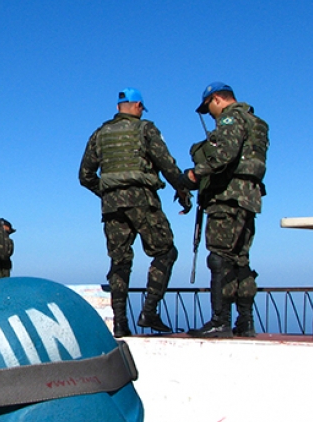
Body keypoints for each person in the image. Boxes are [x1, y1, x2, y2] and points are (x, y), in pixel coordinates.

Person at [79, 88, 192, 338]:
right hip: (142, 200)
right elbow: (167, 165)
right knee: (166, 252)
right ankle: (149, 311)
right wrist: (183, 192)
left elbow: (85, 176)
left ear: (118, 107)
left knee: (119, 262)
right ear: (138, 106)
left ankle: (120, 323)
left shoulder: (99, 134)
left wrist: (108, 193)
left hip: (112, 207)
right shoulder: (145, 129)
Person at [182, 82, 269, 338]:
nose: (210, 114)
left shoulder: (231, 118)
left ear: (217, 99)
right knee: (240, 259)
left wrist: (195, 174)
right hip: (248, 198)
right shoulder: (256, 123)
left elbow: (225, 154)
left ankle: (220, 321)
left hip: (227, 197)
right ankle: (246, 322)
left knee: (219, 258)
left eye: (208, 107)